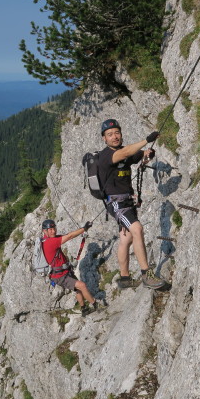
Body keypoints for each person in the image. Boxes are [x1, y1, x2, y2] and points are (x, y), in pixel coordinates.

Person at [99, 118, 165, 289]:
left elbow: (136, 154)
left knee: (126, 238)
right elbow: (126, 153)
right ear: (104, 139)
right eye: (110, 134)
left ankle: (125, 278)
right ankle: (146, 274)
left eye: (117, 133)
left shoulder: (123, 151)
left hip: (127, 201)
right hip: (117, 203)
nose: (114, 136)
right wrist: (146, 140)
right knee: (137, 229)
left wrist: (147, 153)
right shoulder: (106, 155)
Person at [41, 219, 98, 316]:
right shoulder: (50, 242)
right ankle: (96, 305)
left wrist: (82, 230)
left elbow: (67, 235)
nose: (53, 231)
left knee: (78, 289)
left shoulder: (49, 239)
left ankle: (84, 309)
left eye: (54, 228)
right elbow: (69, 236)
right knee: (82, 285)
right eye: (50, 229)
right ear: (44, 231)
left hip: (64, 271)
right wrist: (84, 228)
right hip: (60, 276)